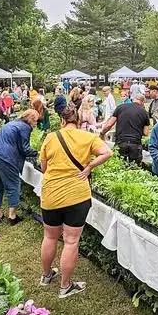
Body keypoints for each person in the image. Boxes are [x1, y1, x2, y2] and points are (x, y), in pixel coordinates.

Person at [38, 108, 113, 299]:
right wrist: (89, 167)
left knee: (50, 236)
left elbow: (44, 167)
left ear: (62, 121)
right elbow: (107, 152)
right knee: (71, 241)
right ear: (78, 121)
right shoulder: (87, 137)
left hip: (51, 194)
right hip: (76, 195)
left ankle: (46, 276)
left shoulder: (51, 137)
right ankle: (65, 286)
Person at [101, 93, 150, 164]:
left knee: (118, 165)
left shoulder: (120, 107)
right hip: (135, 143)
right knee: (134, 167)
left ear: (133, 100)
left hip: (121, 141)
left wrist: (102, 133)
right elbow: (146, 133)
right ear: (142, 102)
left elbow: (109, 124)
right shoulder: (144, 113)